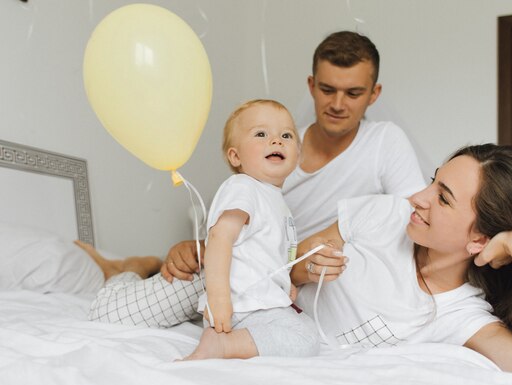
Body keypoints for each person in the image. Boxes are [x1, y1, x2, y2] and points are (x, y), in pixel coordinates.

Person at [291, 143, 512, 384]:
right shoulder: (381, 213)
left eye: (443, 198)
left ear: (481, 240)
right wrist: (309, 266)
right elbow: (292, 267)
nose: (417, 197)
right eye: (432, 182)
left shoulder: (462, 317)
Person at [162, 31, 426, 282]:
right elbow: (238, 222)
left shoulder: (384, 141)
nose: (337, 104)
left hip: (306, 280)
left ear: (374, 94)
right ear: (311, 86)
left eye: (353, 93)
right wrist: (196, 247)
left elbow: (413, 223)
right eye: (327, 89)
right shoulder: (277, 148)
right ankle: (144, 265)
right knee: (170, 275)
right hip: (256, 271)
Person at [88, 99, 319, 360]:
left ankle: (228, 343)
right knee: (305, 340)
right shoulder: (244, 187)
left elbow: (267, 255)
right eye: (261, 134)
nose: (276, 141)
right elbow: (220, 239)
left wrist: (283, 285)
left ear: (297, 155)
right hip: (243, 306)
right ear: (235, 156)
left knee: (306, 332)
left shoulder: (275, 201)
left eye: (286, 135)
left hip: (259, 304)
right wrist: (219, 298)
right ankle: (223, 345)